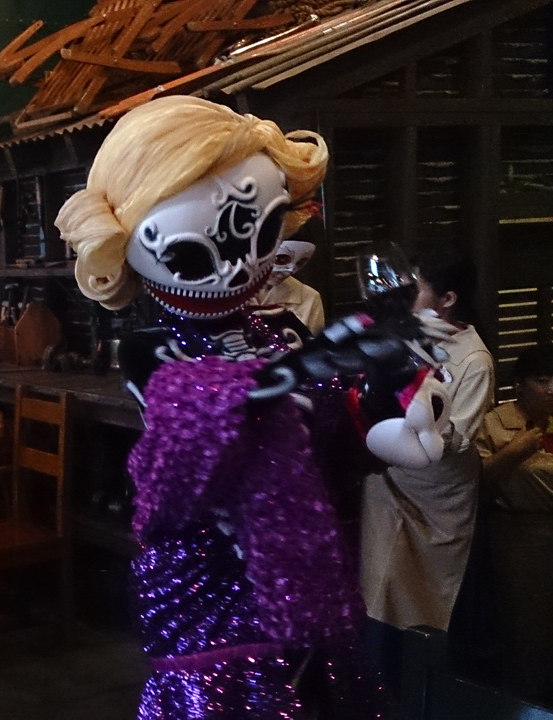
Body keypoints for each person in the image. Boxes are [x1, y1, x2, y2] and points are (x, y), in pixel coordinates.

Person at [54, 95, 442, 719]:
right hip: (209, 599)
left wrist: (387, 396)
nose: (237, 263)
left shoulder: (285, 330)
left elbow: (330, 432)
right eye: (194, 252)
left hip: (306, 586)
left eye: (260, 231)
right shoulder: (152, 350)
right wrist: (309, 366)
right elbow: (197, 410)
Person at [360, 250, 495, 631]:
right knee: (377, 581)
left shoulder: (475, 360)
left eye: (413, 290)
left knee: (421, 591)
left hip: (436, 487)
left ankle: (420, 661)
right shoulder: (402, 332)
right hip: (388, 477)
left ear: (447, 299)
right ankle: (378, 661)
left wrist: (416, 418)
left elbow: (457, 438)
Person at [474, 345, 553, 703]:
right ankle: (526, 701)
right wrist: (515, 452)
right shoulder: (494, 422)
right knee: (525, 627)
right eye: (542, 381)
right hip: (520, 537)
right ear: (519, 385)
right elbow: (474, 483)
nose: (551, 390)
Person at [251, 238, 325, 334]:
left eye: (299, 263)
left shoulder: (310, 297)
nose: (289, 272)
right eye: (280, 260)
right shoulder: (231, 295)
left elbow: (317, 342)